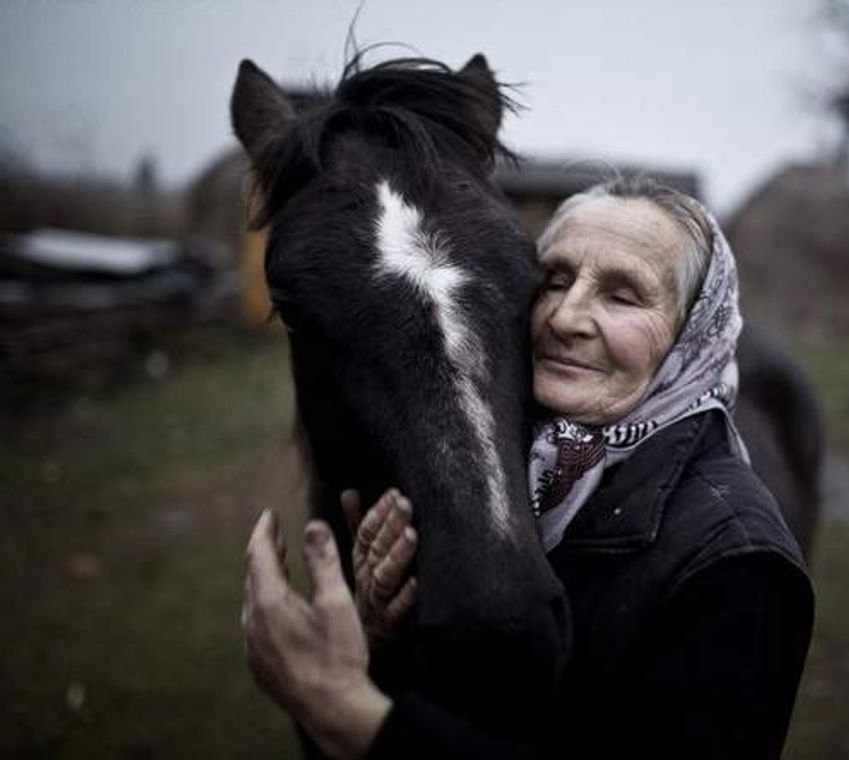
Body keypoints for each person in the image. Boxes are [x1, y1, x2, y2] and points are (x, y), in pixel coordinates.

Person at [242, 177, 815, 759]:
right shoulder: (498, 468)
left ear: (695, 334)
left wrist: (354, 720)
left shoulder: (741, 565)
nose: (565, 318)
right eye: (555, 279)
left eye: (622, 295)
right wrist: (379, 643)